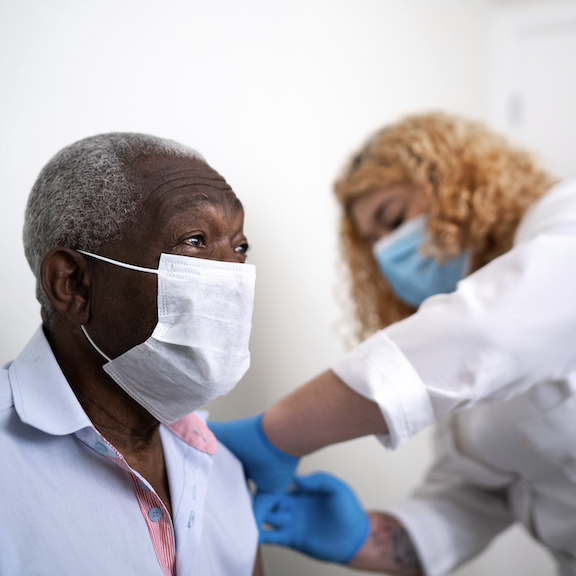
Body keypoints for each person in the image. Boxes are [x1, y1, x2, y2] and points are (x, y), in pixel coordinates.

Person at [209, 113, 576, 575]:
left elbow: (497, 330)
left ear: (460, 181)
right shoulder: (454, 370)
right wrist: (362, 537)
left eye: (394, 219)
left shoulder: (567, 217)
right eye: (373, 241)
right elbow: (468, 499)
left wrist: (279, 432)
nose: (387, 253)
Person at [0, 132, 263, 576]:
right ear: (73, 284)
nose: (231, 278)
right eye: (195, 241)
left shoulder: (220, 465)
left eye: (239, 247)